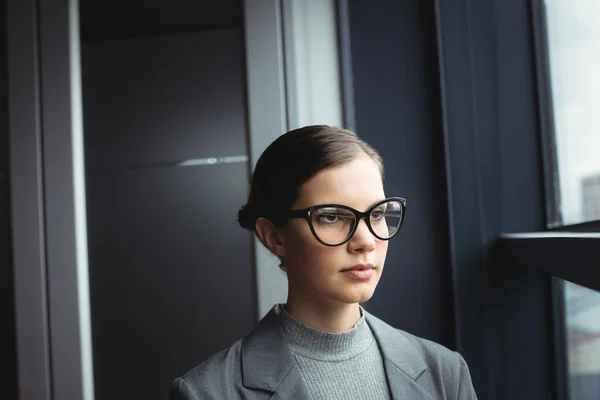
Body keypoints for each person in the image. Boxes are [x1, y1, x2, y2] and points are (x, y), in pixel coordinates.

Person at [170, 125, 477, 399]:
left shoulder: (445, 371)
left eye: (378, 214)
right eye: (331, 216)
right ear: (274, 236)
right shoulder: (208, 392)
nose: (366, 241)